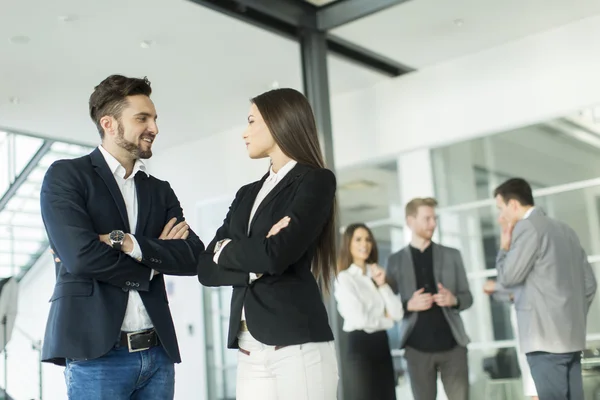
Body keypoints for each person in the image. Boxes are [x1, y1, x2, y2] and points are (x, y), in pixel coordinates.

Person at [40, 75, 204, 399]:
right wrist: (155, 261)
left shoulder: (159, 190)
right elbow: (81, 256)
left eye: (154, 118)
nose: (154, 127)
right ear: (109, 124)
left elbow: (193, 256)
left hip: (157, 354)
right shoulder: (67, 176)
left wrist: (126, 242)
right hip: (97, 356)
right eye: (142, 118)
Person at [196, 88, 339, 400]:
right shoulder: (246, 193)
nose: (244, 133)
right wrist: (251, 262)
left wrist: (228, 251)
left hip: (295, 344)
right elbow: (206, 268)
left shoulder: (315, 180)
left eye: (251, 121)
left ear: (278, 122)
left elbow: (276, 256)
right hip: (248, 348)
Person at [494, 177, 597, 400]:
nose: (501, 217)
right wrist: (570, 314)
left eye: (501, 209)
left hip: (544, 342)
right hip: (571, 339)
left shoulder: (527, 227)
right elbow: (590, 285)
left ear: (513, 204)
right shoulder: (566, 230)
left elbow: (508, 277)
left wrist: (504, 248)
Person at [385, 197, 472, 400]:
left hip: (453, 346)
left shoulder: (453, 255)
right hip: (416, 349)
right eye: (427, 219)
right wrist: (409, 304)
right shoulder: (394, 261)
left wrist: (454, 300)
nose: (433, 224)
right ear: (410, 221)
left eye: (434, 218)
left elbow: (468, 298)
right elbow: (388, 306)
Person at [334, 223, 403, 400]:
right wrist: (387, 321)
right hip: (360, 347)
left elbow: (398, 313)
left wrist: (382, 284)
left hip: (381, 344)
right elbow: (359, 319)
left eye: (368, 239)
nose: (364, 244)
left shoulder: (376, 275)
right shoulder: (345, 278)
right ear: (348, 244)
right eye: (358, 239)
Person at [483, 279, 538, 400]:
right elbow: (500, 295)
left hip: (538, 323)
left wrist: (496, 286)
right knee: (531, 376)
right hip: (524, 323)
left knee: (538, 376)